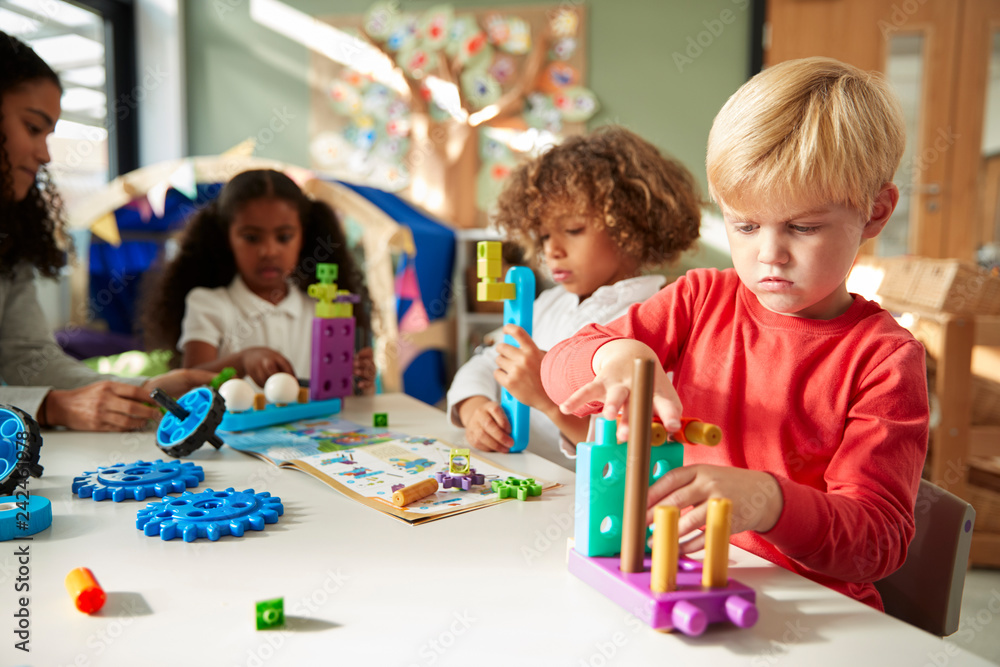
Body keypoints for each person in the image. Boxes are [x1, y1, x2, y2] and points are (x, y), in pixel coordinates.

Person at [542, 58, 929, 610]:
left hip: (808, 609)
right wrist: (614, 356)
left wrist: (770, 502)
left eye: (803, 226)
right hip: (683, 580)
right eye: (745, 226)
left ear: (875, 213)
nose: (769, 254)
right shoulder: (700, 298)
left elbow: (877, 542)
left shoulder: (885, 359)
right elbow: (560, 365)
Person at [447, 126, 702, 467]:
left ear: (630, 227)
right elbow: (484, 363)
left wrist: (548, 400)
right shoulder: (548, 304)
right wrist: (474, 408)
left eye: (573, 230)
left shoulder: (655, 318)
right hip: (515, 479)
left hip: (584, 501)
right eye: (543, 236)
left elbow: (639, 450)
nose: (552, 250)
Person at [0, 31, 213, 431]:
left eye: (49, 135)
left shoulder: (10, 236)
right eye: (32, 127)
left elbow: (30, 359)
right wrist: (52, 408)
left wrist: (147, 389)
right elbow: (49, 395)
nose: (45, 154)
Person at [141, 169, 376, 392]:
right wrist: (242, 361)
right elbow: (189, 385)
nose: (269, 251)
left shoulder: (322, 309)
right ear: (226, 238)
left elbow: (345, 398)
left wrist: (359, 380)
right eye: (251, 237)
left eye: (284, 237)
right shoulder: (207, 304)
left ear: (303, 236)